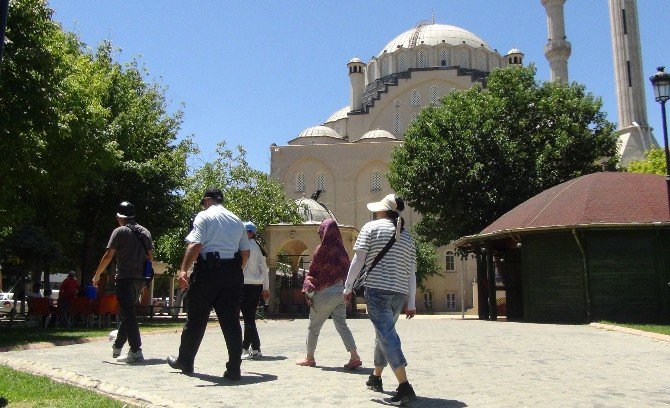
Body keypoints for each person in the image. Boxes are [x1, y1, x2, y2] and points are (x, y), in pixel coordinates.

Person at [167, 188, 250, 380]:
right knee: (231, 321)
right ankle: (234, 369)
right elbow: (245, 253)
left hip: (208, 272)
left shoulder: (203, 216)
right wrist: (235, 271)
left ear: (206, 200)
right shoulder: (237, 220)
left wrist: (183, 271)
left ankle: (185, 361)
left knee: (196, 318)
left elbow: (195, 245)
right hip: (232, 272)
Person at [343, 193, 418, 406]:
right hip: (399, 293)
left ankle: (404, 387)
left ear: (383, 210)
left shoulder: (370, 228)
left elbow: (358, 260)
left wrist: (348, 287)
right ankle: (376, 376)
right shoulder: (408, 236)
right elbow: (412, 272)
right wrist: (411, 302)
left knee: (386, 335)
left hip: (377, 290)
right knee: (384, 333)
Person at [93, 201, 153, 363]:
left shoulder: (119, 231)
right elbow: (150, 257)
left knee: (129, 313)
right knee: (129, 313)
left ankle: (136, 350)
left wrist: (97, 275)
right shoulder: (145, 232)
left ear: (119, 216)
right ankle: (118, 345)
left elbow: (108, 256)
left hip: (125, 277)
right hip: (140, 278)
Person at [296, 219, 361, 369]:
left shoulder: (321, 250)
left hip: (324, 294)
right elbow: (347, 271)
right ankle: (354, 356)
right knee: (342, 325)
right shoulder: (342, 251)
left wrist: (308, 284)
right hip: (341, 293)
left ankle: (309, 358)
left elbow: (313, 272)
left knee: (314, 327)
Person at [240, 221, 270, 359]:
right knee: (250, 318)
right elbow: (264, 269)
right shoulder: (258, 248)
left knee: (248, 319)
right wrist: (266, 288)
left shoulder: (244, 247)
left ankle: (256, 347)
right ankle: (245, 347)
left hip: (245, 285)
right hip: (257, 286)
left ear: (250, 233)